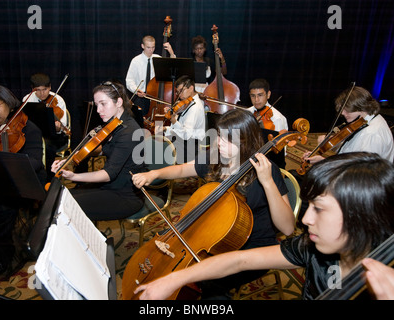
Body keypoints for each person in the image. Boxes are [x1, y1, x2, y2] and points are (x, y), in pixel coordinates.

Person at [133, 151, 394, 300]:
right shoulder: (312, 248)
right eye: (309, 206)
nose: (306, 219)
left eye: (320, 209)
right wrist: (175, 278)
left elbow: (287, 226)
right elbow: (240, 261)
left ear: (361, 216)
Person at [132, 108, 295, 299]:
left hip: (251, 246)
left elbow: (288, 228)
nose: (219, 143)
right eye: (218, 136)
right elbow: (184, 169)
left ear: (246, 141)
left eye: (227, 139)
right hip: (212, 234)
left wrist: (268, 183)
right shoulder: (216, 157)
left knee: (207, 283)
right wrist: (154, 173)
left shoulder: (267, 171)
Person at [51, 81, 145, 221]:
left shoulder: (129, 132)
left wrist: (73, 176)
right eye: (97, 105)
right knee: (62, 198)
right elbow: (106, 150)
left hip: (126, 195)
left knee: (65, 206)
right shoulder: (114, 124)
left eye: (103, 104)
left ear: (118, 102)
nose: (98, 110)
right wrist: (72, 157)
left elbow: (108, 174)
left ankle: (96, 241)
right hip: (110, 186)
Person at [0, 85, 46, 279]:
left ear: (8, 103)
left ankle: (4, 252)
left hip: (21, 184)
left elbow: (35, 161)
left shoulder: (28, 127)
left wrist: (9, 164)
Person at [304, 86, 394, 164]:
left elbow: (360, 172)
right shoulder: (365, 120)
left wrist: (325, 162)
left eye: (346, 109)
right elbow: (350, 149)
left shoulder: (371, 134)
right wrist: (331, 144)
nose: (342, 113)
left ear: (361, 107)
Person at [23, 73, 69, 181]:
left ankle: (49, 178)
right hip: (34, 134)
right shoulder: (27, 99)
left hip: (53, 136)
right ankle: (30, 177)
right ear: (32, 89)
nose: (42, 93)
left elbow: (63, 127)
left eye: (44, 89)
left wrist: (57, 127)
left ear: (50, 87)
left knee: (48, 147)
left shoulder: (58, 100)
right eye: (37, 90)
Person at [125, 35, 176, 120]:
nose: (151, 50)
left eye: (153, 47)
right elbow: (129, 80)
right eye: (148, 47)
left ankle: (158, 133)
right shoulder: (136, 61)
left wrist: (171, 53)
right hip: (141, 96)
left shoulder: (158, 58)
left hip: (156, 97)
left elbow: (172, 67)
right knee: (141, 121)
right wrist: (136, 90)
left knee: (157, 121)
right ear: (142, 46)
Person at [160, 75, 206, 163]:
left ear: (191, 88)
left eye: (182, 91)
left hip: (189, 148)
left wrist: (173, 120)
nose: (180, 95)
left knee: (158, 153)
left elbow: (186, 134)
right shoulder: (188, 103)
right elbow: (181, 127)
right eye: (178, 92)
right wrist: (166, 129)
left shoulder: (195, 107)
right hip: (184, 143)